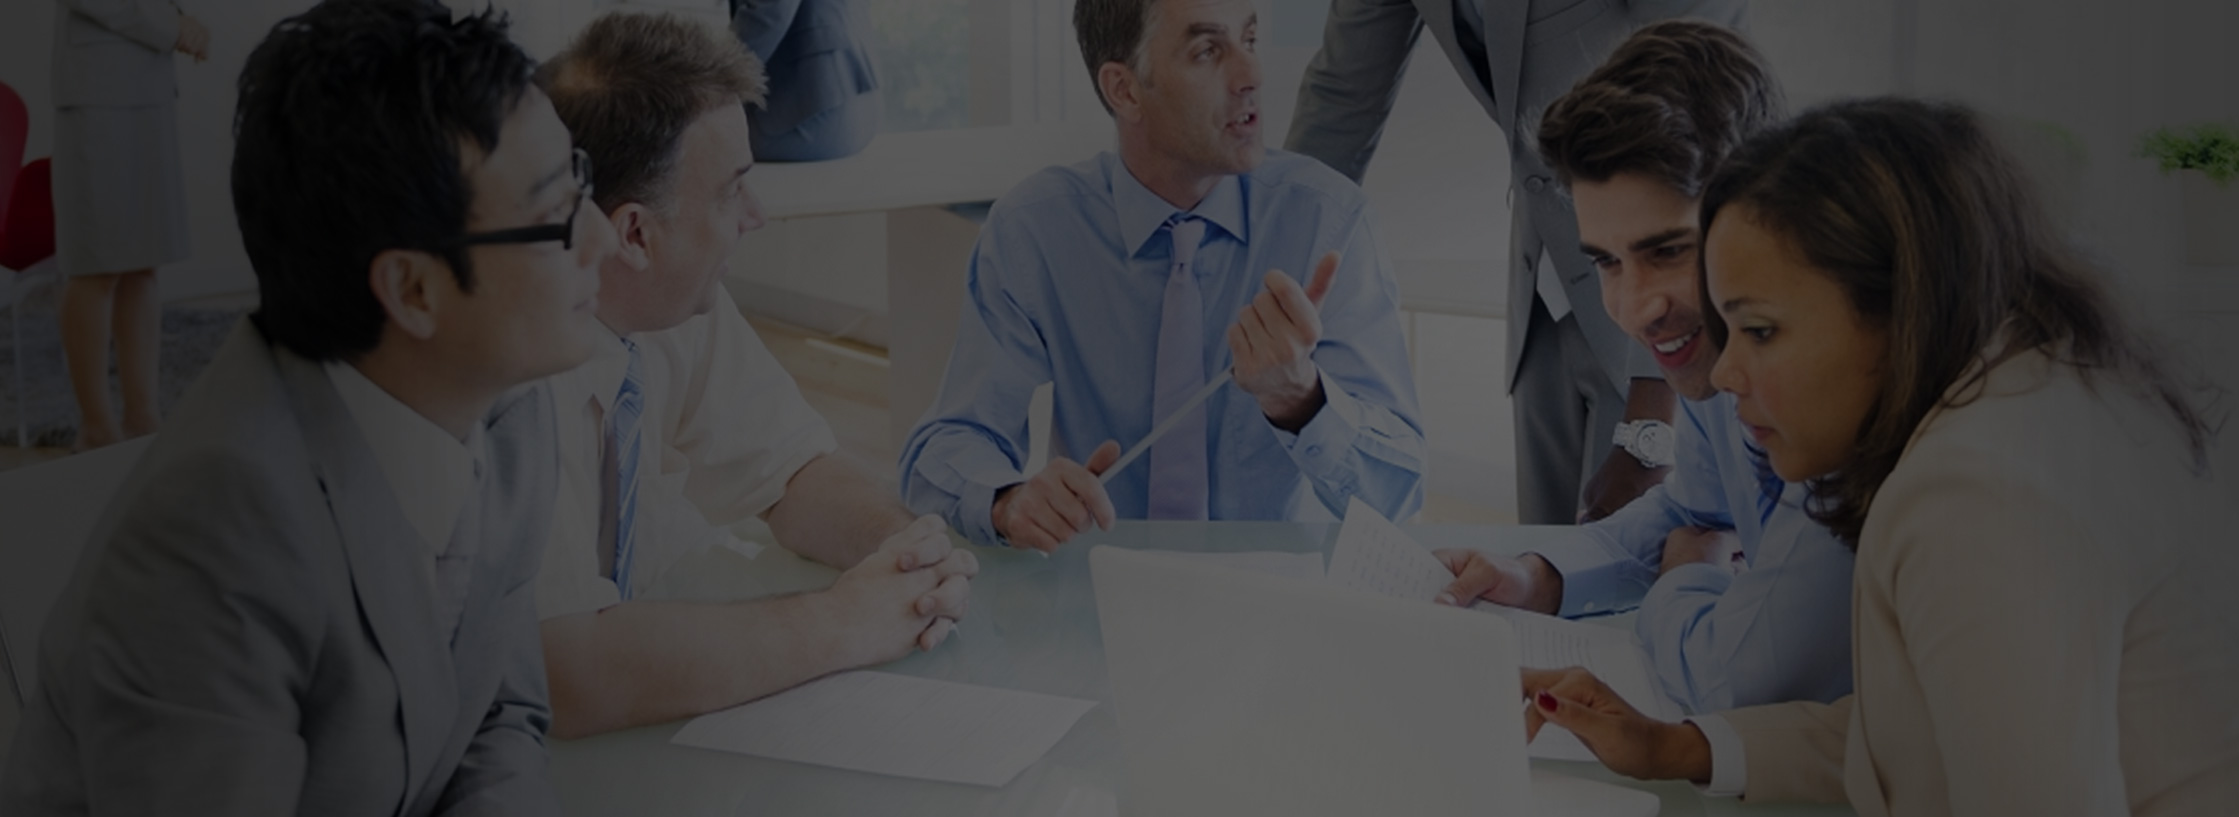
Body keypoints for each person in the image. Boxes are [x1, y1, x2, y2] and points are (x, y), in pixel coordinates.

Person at [1515, 98, 2236, 816]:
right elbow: (1918, 731)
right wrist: (1676, 747)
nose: (1727, 373)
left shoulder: (1973, 491)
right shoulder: (1999, 418)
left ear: (1898, 309)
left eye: (1760, 331)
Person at [1, 1, 612, 812]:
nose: (602, 237)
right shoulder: (213, 542)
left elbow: (498, 717)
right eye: (554, 213)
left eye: (580, 181)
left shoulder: (506, 407)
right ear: (412, 289)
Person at [531, 11, 975, 739]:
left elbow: (792, 472)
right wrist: (844, 622)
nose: (756, 215)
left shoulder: (675, 304)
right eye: (731, 190)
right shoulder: (511, 376)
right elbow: (569, 673)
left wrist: (909, 552)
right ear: (636, 233)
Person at [1432, 21, 1854, 715]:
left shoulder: (1829, 395)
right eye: (1606, 260)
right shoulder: (1713, 359)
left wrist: (1681, 582)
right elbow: (1692, 508)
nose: (1633, 309)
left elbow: (1740, 681)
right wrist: (1540, 576)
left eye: (1667, 251)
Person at [898, 0, 1425, 552]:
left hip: (1282, 592)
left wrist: (1302, 399)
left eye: (1248, 41)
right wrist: (1008, 499)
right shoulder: (1034, 230)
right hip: (1102, 583)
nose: (1251, 75)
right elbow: (946, 445)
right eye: (1207, 51)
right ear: (1124, 90)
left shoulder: (1329, 221)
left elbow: (1399, 491)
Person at [1285, 0, 1747, 523]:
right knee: (1546, 555)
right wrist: (1266, 275)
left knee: (1654, 545)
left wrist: (1652, 426)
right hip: (1538, 292)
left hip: (1657, 312)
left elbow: (1703, 80)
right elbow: (1342, 98)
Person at [49, 0, 211, 449]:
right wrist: (172, 25)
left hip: (149, 83)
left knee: (144, 264)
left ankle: (143, 419)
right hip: (97, 90)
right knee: (96, 266)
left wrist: (182, 21)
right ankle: (96, 428)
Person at [728, 0, 882, 161]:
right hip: (858, 103)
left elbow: (768, 16)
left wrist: (716, 76)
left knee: (714, 134)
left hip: (813, 118)